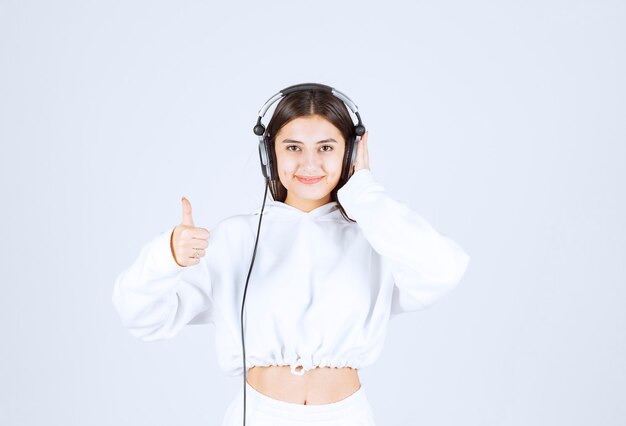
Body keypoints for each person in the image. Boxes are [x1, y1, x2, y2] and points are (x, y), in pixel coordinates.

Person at [112, 84, 471, 426]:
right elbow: (141, 316)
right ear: (271, 154)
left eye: (327, 148)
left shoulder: (377, 236)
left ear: (350, 152)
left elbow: (444, 270)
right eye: (294, 147)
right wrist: (166, 258)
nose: (309, 164)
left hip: (345, 417)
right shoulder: (236, 238)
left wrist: (365, 194)